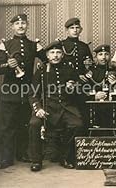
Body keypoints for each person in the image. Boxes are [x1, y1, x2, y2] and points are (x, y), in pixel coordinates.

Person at [0, 13, 46, 169]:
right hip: (9, 92)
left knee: (24, 124)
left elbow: (47, 59)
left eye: (23, 23)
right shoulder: (6, 45)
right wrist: (7, 65)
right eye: (17, 24)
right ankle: (6, 158)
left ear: (27, 25)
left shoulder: (33, 44)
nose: (21, 26)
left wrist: (40, 66)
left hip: (27, 92)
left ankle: (22, 153)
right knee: (8, 126)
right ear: (13, 27)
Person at [28, 41, 83, 171]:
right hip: (47, 107)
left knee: (77, 124)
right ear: (47, 55)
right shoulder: (41, 71)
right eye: (52, 53)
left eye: (58, 52)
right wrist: (38, 108)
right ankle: (36, 160)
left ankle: (65, 156)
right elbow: (32, 93)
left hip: (66, 107)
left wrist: (73, 88)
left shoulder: (70, 69)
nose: (55, 55)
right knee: (34, 124)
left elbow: (79, 90)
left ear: (62, 55)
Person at [85, 44, 116, 127]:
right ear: (95, 57)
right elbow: (85, 89)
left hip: (111, 105)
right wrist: (95, 96)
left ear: (110, 56)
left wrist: (115, 83)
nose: (103, 57)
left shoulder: (115, 71)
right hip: (93, 105)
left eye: (106, 54)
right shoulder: (90, 72)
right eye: (100, 54)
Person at [61, 17, 93, 82]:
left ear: (81, 30)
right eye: (72, 28)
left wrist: (87, 72)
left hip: (83, 79)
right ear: (67, 30)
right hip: (66, 79)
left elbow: (90, 64)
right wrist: (76, 76)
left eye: (77, 28)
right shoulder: (61, 45)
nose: (75, 30)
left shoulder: (84, 46)